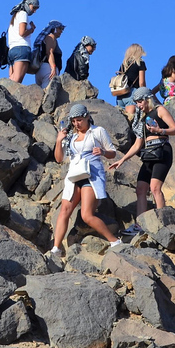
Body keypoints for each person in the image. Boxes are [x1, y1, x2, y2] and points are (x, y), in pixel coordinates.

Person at [52, 104, 121, 255]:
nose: (77, 124)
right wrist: (59, 141)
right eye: (74, 121)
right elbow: (59, 158)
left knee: (86, 215)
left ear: (87, 117)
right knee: (64, 210)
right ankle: (56, 248)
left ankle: (114, 241)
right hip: (74, 175)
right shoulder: (71, 136)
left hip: (92, 175)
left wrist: (102, 151)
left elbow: (112, 153)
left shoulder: (98, 131)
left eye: (79, 120)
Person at [109, 87, 175, 234]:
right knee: (140, 188)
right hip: (149, 153)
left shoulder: (160, 110)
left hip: (162, 150)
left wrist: (160, 131)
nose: (139, 105)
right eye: (136, 102)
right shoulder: (142, 118)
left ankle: (163, 223)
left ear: (148, 99)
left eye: (140, 101)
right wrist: (122, 160)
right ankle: (140, 225)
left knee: (155, 188)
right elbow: (138, 144)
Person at [6, 0, 39, 83]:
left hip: (12, 49)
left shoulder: (15, 16)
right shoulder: (23, 14)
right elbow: (22, 32)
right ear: (28, 4)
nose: (34, 11)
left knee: (12, 79)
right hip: (22, 48)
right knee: (17, 81)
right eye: (34, 7)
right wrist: (31, 29)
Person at [112, 44, 147, 116]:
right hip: (132, 93)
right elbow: (141, 82)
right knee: (131, 120)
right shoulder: (140, 62)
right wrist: (144, 94)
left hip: (120, 95)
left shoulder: (123, 64)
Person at [33, 21, 66, 88]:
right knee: (48, 93)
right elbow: (49, 52)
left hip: (40, 69)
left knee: (41, 94)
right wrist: (53, 67)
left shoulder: (44, 38)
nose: (61, 31)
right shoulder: (51, 37)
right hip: (48, 69)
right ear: (54, 28)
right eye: (60, 28)